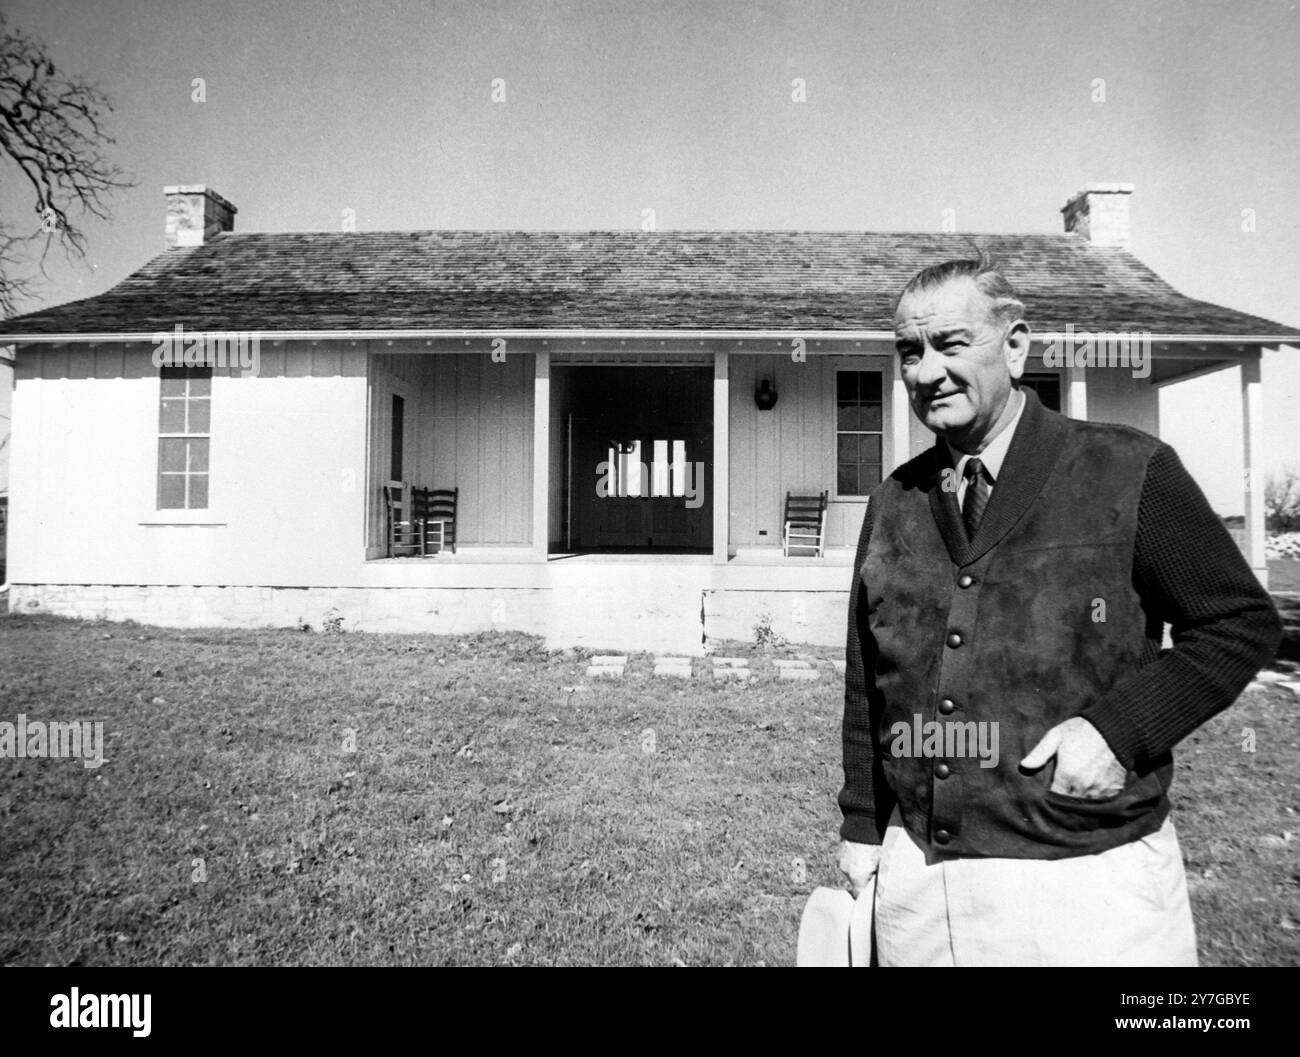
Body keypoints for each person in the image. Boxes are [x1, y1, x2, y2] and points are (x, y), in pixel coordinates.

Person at [836, 255, 1282, 966]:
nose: (924, 372)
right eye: (908, 352)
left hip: (1086, 885)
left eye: (950, 344)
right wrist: (863, 824)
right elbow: (867, 677)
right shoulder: (895, 501)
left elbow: (1238, 621)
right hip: (918, 885)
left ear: (1015, 345)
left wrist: (1119, 731)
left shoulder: (1128, 469)